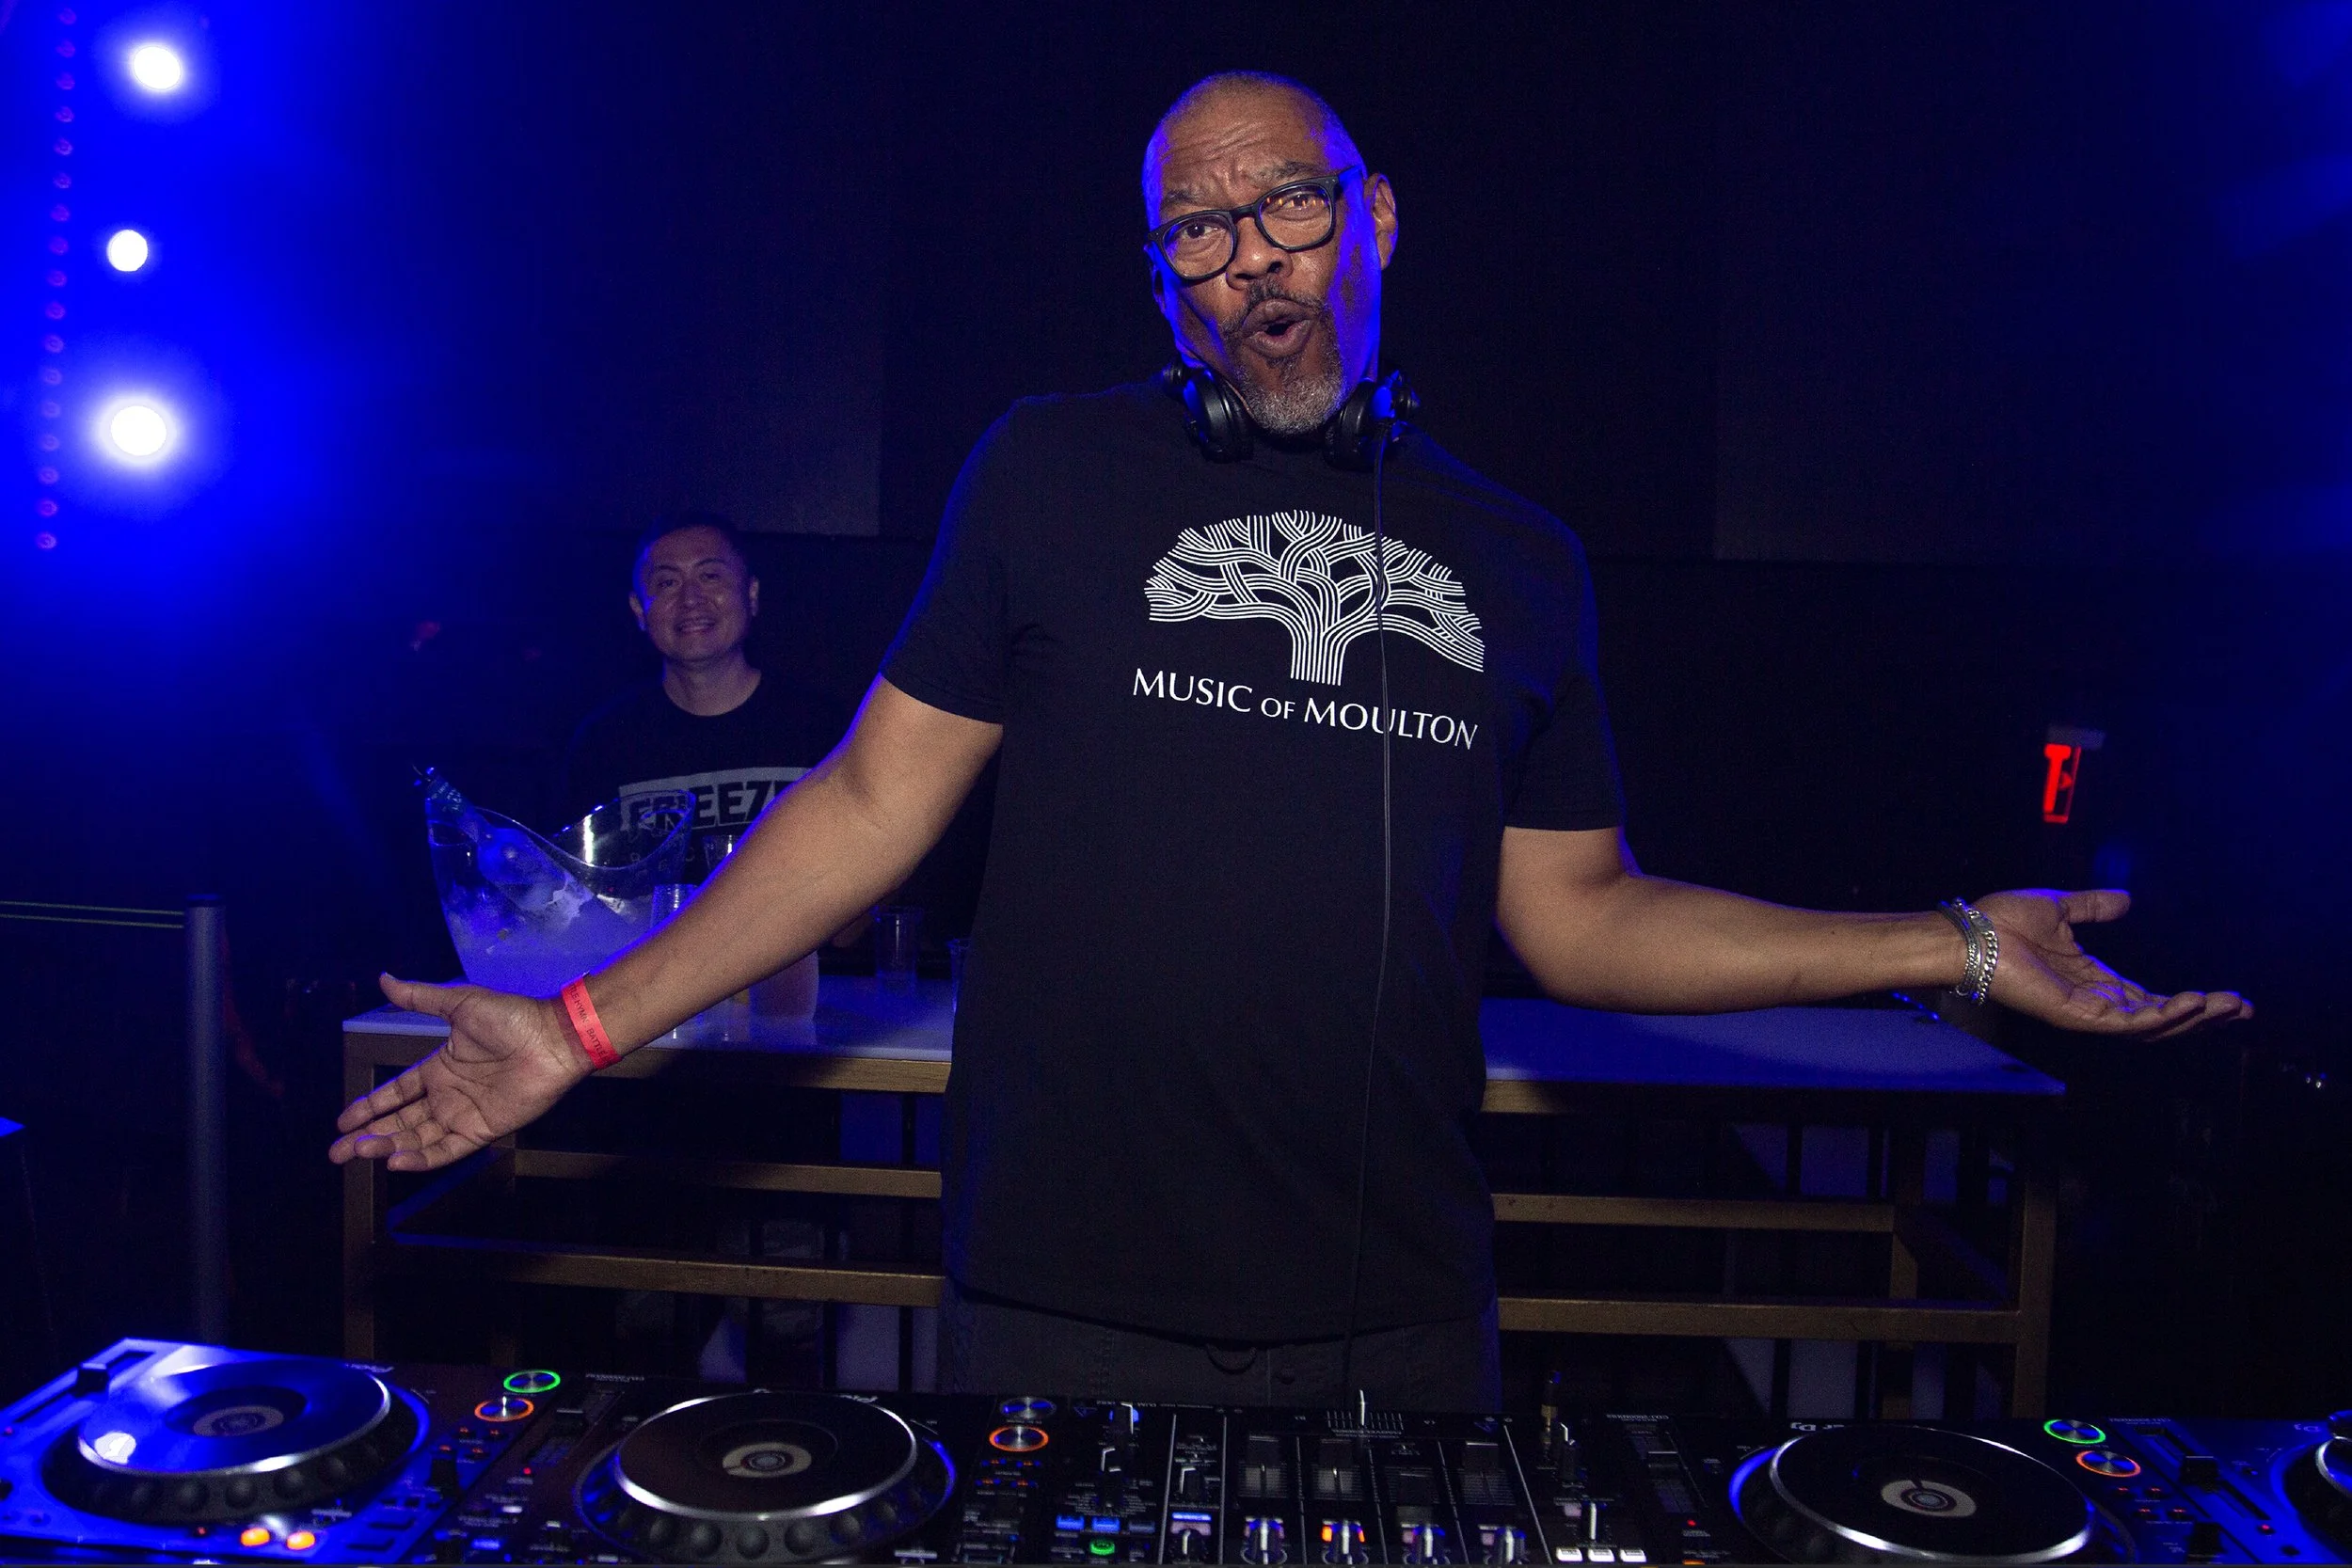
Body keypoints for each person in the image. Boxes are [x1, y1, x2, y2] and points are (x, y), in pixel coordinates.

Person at [334, 72, 2249, 1411]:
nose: (1247, 256)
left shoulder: (1522, 557)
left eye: (1287, 204)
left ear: (1375, 213)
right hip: (1061, 1297)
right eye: (1195, 230)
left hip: (1396, 1313)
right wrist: (582, 1024)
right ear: (1162, 273)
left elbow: (1585, 918)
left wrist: (1954, 940)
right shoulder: (1049, 470)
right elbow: (867, 800)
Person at [557, 512, 848, 870]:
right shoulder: (603, 744)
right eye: (667, 583)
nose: (691, 599)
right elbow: (575, 886)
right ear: (639, 611)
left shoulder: (824, 727)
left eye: (710, 576)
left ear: (751, 594)